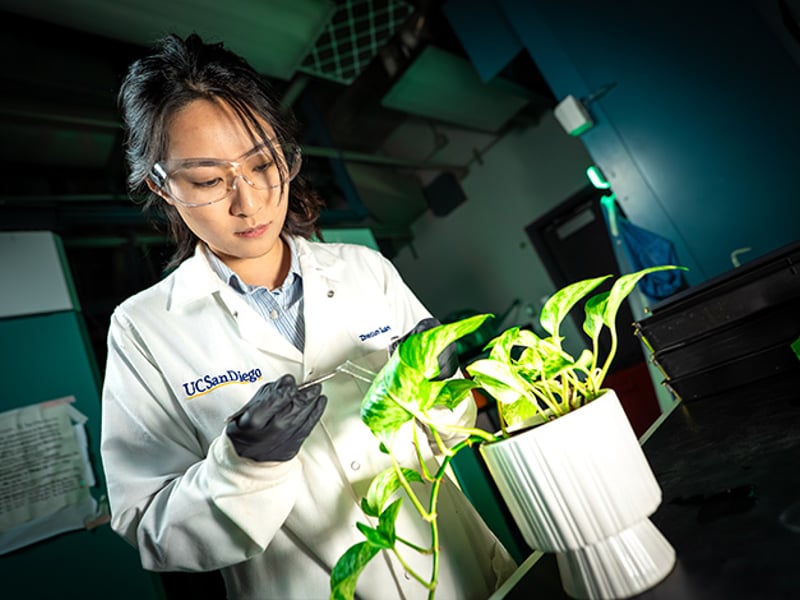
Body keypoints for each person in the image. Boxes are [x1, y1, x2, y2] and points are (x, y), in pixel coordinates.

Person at [100, 33, 516, 600]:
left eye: (263, 164)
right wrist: (244, 465)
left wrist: (442, 388)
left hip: (461, 577)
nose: (248, 203)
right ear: (161, 185)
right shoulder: (145, 328)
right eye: (206, 181)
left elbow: (451, 432)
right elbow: (151, 529)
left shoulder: (364, 271)